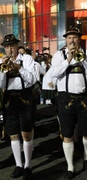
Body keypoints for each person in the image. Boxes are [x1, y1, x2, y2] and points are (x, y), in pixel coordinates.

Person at [0, 34, 37, 180]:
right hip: (10, 100)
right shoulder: (1, 62)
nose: (9, 50)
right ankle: (19, 165)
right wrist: (2, 69)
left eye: (12, 46)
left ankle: (28, 165)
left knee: (26, 133)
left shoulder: (27, 59)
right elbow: (0, 84)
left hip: (24, 97)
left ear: (17, 46)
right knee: (13, 134)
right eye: (7, 47)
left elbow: (32, 80)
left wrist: (19, 68)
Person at [51, 26, 87, 179]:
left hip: (84, 98)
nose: (72, 41)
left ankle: (86, 160)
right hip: (65, 99)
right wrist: (69, 59)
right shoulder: (59, 55)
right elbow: (55, 73)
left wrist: (83, 60)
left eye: (75, 37)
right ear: (65, 40)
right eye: (70, 38)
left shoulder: (86, 54)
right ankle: (70, 167)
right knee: (67, 134)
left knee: (86, 133)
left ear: (79, 39)